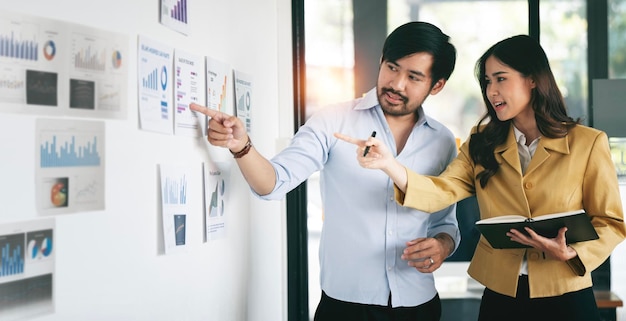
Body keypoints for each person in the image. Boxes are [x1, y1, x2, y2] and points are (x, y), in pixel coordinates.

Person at [335, 34, 626, 321]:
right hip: (501, 295)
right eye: (487, 81)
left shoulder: (587, 143)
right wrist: (389, 164)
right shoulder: (481, 142)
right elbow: (441, 190)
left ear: (533, 79)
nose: (491, 91)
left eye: (501, 79)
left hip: (567, 293)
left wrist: (572, 252)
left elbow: (610, 222)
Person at [191, 21, 460, 321]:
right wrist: (241, 145)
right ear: (382, 61)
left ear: (436, 85)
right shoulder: (334, 121)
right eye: (392, 68)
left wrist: (441, 246)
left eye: (413, 77)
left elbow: (444, 224)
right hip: (345, 308)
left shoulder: (443, 141)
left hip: (418, 305)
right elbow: (273, 183)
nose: (397, 84)